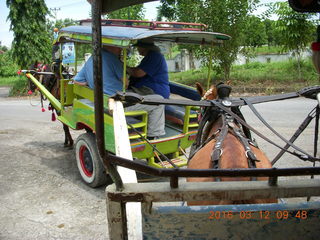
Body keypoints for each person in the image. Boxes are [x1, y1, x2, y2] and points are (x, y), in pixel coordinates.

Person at [74, 45, 166, 139]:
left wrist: (96, 84)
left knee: (146, 92)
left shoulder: (91, 58)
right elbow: (125, 83)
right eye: (118, 47)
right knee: (159, 100)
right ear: (109, 46)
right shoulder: (113, 59)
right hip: (116, 104)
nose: (121, 49)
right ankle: (152, 136)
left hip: (100, 102)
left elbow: (78, 81)